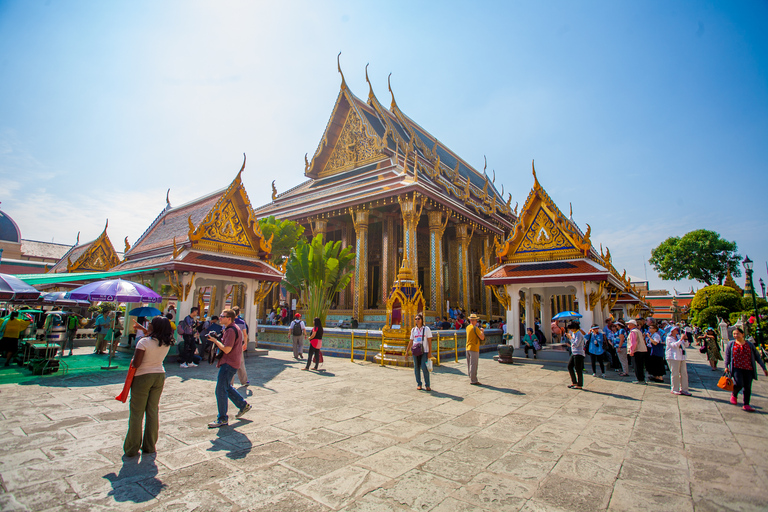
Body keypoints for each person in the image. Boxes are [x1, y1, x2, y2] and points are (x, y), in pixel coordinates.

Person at [123, 315, 175, 457]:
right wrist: (143, 329)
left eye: (151, 324)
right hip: (159, 375)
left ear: (155, 327)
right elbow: (153, 337)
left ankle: (132, 447)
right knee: (152, 411)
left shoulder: (143, 342)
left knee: (137, 413)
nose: (149, 325)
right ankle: (150, 445)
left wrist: (134, 359)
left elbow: (136, 364)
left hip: (143, 376)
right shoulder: (166, 342)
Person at [207, 309, 251, 428]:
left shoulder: (231, 330)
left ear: (229, 318)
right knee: (226, 386)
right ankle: (243, 405)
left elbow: (227, 349)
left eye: (222, 316)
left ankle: (222, 418)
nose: (220, 318)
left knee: (220, 390)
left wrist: (215, 341)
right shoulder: (232, 329)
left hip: (229, 362)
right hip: (232, 361)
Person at [724, 326, 768, 412]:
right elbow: (727, 356)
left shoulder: (749, 345)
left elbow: (757, 357)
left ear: (743, 334)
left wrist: (764, 368)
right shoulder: (731, 344)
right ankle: (734, 394)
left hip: (748, 368)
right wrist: (726, 366)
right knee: (739, 384)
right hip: (736, 367)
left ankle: (746, 404)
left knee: (747, 387)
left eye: (737, 334)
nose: (736, 335)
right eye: (734, 334)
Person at [406, 313, 432, 390]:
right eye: (416, 319)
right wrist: (407, 351)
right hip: (415, 351)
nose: (417, 320)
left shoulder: (426, 329)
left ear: (422, 320)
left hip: (424, 351)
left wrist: (430, 352)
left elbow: (429, 341)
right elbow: (411, 341)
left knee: (424, 367)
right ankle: (419, 384)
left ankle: (427, 384)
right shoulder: (413, 330)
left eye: (418, 319)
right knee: (416, 367)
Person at [665, 325, 691, 396]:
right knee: (675, 373)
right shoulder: (669, 338)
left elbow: (686, 345)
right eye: (675, 329)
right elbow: (674, 345)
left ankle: (684, 389)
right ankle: (674, 389)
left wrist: (685, 339)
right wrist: (681, 340)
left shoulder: (678, 337)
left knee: (684, 373)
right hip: (673, 357)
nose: (677, 331)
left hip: (682, 357)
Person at [465, 313, 485, 385]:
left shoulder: (468, 327)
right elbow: (482, 337)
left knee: (469, 364)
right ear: (476, 320)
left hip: (467, 347)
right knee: (474, 364)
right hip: (474, 348)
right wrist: (482, 331)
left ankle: (471, 376)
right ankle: (473, 380)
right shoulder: (475, 328)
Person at [627, 319, 648, 384]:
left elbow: (633, 342)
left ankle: (640, 379)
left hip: (637, 350)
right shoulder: (638, 331)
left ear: (633, 325)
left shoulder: (633, 332)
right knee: (640, 365)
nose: (628, 325)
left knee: (637, 365)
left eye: (629, 324)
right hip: (642, 350)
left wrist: (632, 351)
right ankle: (641, 378)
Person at [567, 321, 585, 389]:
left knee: (578, 369)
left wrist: (570, 338)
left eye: (571, 328)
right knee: (570, 366)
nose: (570, 330)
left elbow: (576, 344)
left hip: (579, 353)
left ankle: (579, 384)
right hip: (574, 352)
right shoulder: (574, 333)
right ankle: (574, 382)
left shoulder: (579, 334)